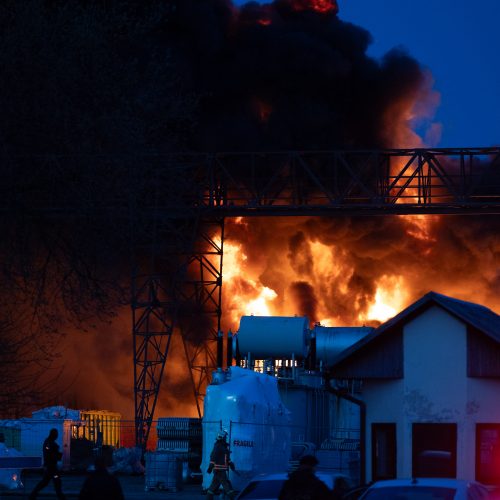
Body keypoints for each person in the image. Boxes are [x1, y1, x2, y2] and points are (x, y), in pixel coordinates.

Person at [29, 428, 66, 500]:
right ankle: (61, 497)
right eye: (56, 434)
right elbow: (50, 455)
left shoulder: (49, 442)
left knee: (46, 482)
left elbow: (50, 454)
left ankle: (32, 495)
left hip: (50, 467)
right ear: (53, 435)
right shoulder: (50, 443)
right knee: (56, 482)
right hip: (51, 467)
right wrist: (57, 454)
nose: (57, 436)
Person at [206, 429, 237, 499]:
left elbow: (225, 458)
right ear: (222, 437)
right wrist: (211, 466)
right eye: (225, 437)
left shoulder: (223, 446)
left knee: (214, 485)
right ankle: (233, 497)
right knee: (226, 484)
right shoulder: (218, 446)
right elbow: (213, 456)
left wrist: (230, 463)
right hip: (219, 470)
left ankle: (209, 498)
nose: (226, 438)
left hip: (220, 470)